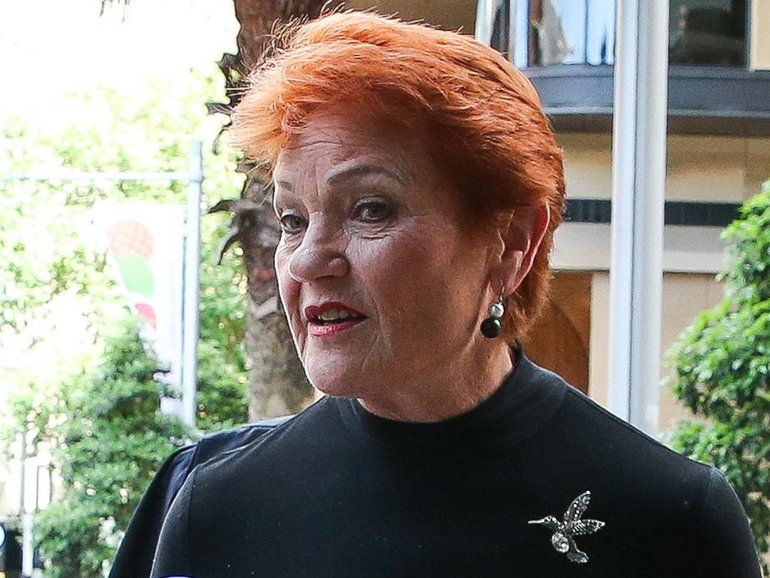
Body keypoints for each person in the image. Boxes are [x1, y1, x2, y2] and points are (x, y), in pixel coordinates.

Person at [110, 11, 761, 578]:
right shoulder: (209, 505)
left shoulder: (671, 521)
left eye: (369, 208)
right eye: (292, 219)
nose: (309, 260)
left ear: (513, 242)